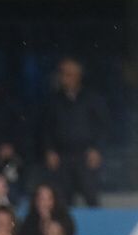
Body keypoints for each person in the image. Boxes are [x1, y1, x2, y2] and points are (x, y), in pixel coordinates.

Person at [36, 58, 108, 206]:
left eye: (69, 74)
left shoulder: (91, 99)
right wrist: (49, 150)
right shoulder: (53, 101)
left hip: (85, 156)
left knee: (91, 196)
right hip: (63, 157)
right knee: (63, 198)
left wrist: (97, 149)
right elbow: (46, 128)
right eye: (62, 74)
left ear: (78, 76)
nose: (65, 78)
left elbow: (103, 126)